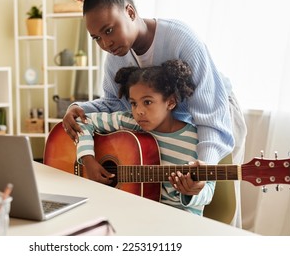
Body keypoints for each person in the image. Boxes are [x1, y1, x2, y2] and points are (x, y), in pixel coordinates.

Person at [61, 0, 247, 227]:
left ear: (130, 11)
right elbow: (114, 104)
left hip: (216, 116)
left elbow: (210, 116)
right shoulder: (116, 56)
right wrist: (78, 108)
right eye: (97, 38)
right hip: (166, 124)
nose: (105, 44)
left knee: (220, 208)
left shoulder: (182, 40)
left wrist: (203, 165)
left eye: (108, 30)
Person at [75, 59, 214, 216]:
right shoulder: (131, 122)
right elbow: (82, 121)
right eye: (134, 103)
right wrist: (88, 160)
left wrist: (193, 190)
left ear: (170, 102)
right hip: (133, 213)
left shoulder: (197, 141)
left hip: (179, 221)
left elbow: (208, 193)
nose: (139, 111)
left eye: (147, 102)